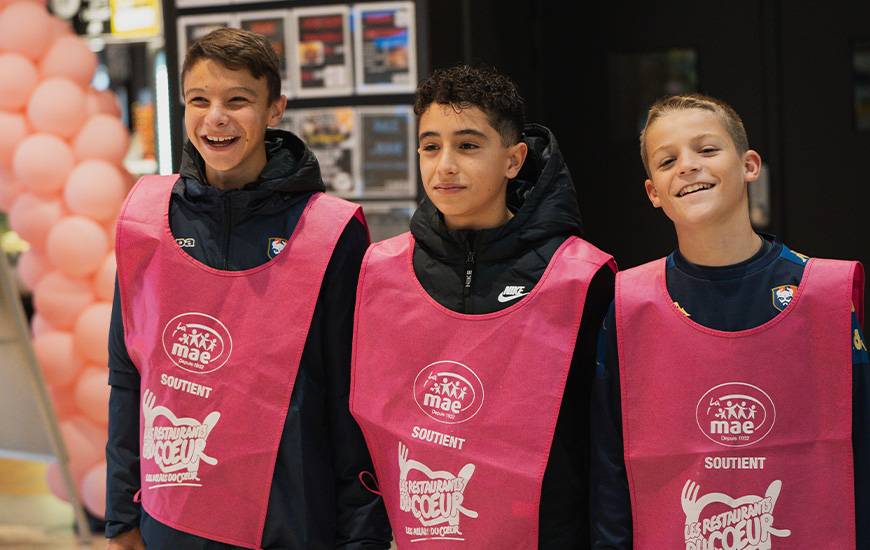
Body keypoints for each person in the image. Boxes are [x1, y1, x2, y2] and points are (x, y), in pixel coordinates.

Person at [105, 28, 391, 549]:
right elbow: (128, 381)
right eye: (199, 100)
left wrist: (361, 538)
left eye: (237, 100)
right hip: (172, 524)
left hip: (292, 525)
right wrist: (121, 518)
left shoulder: (329, 233)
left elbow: (351, 405)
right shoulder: (146, 219)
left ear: (274, 109)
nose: (216, 117)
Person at [349, 65, 615, 548]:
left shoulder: (581, 277)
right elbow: (357, 440)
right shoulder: (378, 269)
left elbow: (602, 450)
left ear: (513, 159)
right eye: (430, 146)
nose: (444, 165)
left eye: (467, 146)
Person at [590, 93, 867, 548]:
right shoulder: (626, 303)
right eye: (667, 160)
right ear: (653, 192)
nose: (687, 165)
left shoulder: (824, 293)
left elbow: (859, 447)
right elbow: (609, 470)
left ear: (749, 165)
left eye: (707, 149)